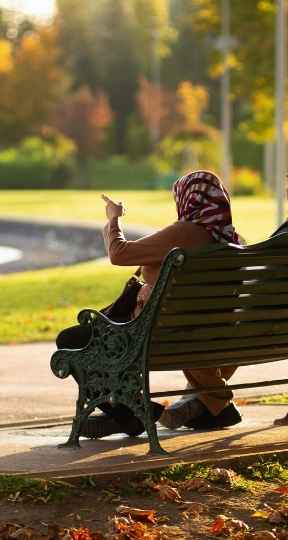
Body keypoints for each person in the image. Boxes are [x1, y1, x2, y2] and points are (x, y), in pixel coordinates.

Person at [55, 170, 242, 439]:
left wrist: (113, 218)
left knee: (71, 340)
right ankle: (127, 412)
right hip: (210, 339)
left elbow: (119, 253)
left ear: (188, 199)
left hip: (157, 338)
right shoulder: (234, 242)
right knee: (91, 336)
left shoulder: (184, 233)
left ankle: (129, 413)